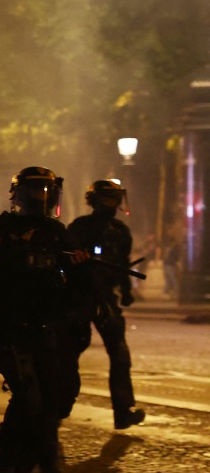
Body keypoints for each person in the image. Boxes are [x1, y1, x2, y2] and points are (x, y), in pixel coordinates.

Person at [0, 166, 89, 473]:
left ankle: (21, 463)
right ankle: (7, 471)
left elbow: (77, 286)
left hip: (46, 329)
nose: (40, 198)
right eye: (34, 191)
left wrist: (80, 269)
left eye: (45, 191)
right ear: (19, 195)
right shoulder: (2, 231)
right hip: (11, 330)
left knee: (53, 399)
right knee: (28, 398)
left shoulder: (57, 234)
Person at [67, 180, 145, 429]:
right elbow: (66, 263)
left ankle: (123, 411)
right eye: (107, 199)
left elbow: (122, 264)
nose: (111, 205)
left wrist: (125, 291)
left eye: (115, 200)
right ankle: (58, 405)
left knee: (120, 354)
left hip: (107, 300)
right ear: (96, 201)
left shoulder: (121, 231)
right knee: (69, 355)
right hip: (80, 298)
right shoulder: (79, 227)